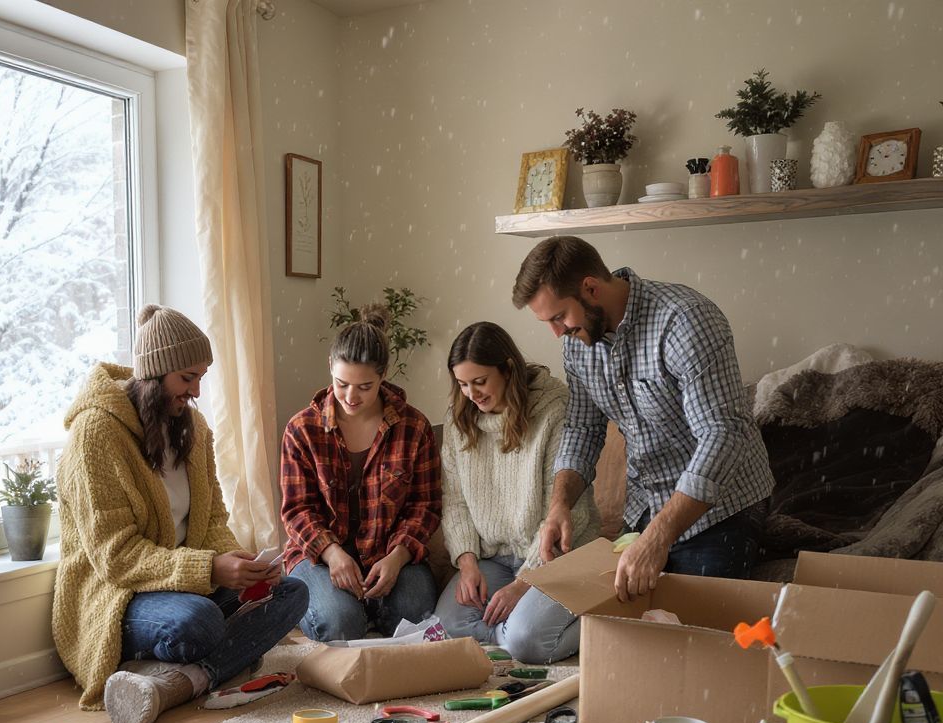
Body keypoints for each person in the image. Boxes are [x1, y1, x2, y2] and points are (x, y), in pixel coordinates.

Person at [53, 305, 308, 723]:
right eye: (187, 379)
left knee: (292, 593)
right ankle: (219, 658)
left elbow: (211, 520)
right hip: (119, 595)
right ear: (155, 374)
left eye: (200, 378)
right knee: (199, 622)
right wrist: (210, 568)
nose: (195, 392)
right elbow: (116, 557)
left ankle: (180, 679)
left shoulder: (193, 430)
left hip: (185, 584)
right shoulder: (96, 435)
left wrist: (237, 562)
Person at [511, 236, 774, 602]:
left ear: (591, 288)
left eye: (559, 317)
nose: (557, 333)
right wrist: (559, 507)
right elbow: (582, 430)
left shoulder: (685, 320)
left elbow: (722, 435)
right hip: (645, 508)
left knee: (686, 629)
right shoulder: (578, 342)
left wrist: (658, 538)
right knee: (614, 620)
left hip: (722, 509)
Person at [434, 321, 601, 662]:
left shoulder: (555, 408)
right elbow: (454, 501)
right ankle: (510, 639)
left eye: (480, 382)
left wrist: (523, 584)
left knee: (526, 641)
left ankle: (590, 619)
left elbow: (568, 511)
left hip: (555, 558)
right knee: (445, 626)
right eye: (463, 384)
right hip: (492, 558)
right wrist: (467, 564)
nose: (472, 394)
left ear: (508, 369)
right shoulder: (458, 420)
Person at [280, 304, 442, 642]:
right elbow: (297, 511)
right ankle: (350, 610)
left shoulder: (414, 427)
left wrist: (398, 557)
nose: (351, 397)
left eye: (365, 387)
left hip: (390, 551)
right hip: (319, 556)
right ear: (329, 368)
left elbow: (424, 506)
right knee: (340, 626)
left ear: (384, 375)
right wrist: (332, 553)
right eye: (341, 384)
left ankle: (369, 607)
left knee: (415, 616)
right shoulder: (301, 429)